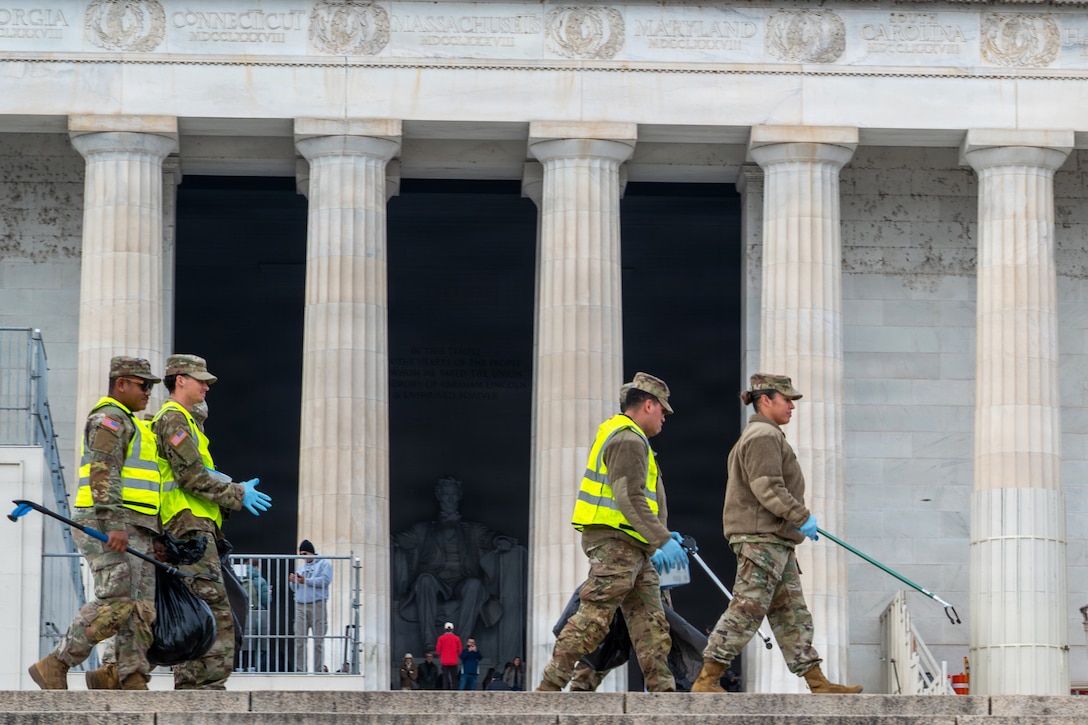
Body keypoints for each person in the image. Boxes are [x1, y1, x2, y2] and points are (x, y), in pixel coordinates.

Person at [692, 374, 861, 694]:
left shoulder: (768, 435)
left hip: (775, 539)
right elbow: (767, 487)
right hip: (761, 539)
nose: (792, 406)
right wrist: (801, 516)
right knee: (747, 608)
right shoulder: (762, 436)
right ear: (765, 400)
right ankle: (706, 679)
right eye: (787, 400)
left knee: (792, 614)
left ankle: (818, 683)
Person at [536, 372, 687, 692]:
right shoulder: (628, 439)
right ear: (648, 405)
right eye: (663, 410)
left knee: (652, 624)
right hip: (617, 543)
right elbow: (629, 497)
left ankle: (663, 694)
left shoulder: (628, 437)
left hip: (635, 545)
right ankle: (548, 689)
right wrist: (661, 539)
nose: (664, 417)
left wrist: (660, 537)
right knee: (593, 619)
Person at [29, 357, 162, 691]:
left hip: (137, 525)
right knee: (115, 603)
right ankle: (56, 663)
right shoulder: (109, 419)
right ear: (121, 384)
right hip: (108, 522)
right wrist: (114, 523)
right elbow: (103, 470)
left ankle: (128, 676)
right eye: (143, 385)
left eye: (151, 386)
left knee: (140, 608)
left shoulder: (133, 423)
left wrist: (153, 532)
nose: (149, 392)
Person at [152, 353, 272, 689]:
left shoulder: (185, 423)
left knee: (212, 610)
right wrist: (236, 493)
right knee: (214, 614)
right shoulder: (173, 420)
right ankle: (201, 691)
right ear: (180, 380)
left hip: (196, 528)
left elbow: (198, 474)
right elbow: (191, 478)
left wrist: (229, 486)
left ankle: (200, 688)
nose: (207, 386)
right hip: (187, 529)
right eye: (200, 379)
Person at [393, 477, 516, 650]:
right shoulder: (423, 529)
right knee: (424, 581)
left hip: (462, 580)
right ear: (439, 496)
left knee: (475, 585)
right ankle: (429, 643)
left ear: (458, 497)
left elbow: (491, 537)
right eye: (445, 495)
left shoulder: (472, 529)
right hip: (434, 579)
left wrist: (501, 541)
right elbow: (401, 539)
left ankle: (461, 643)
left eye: (453, 495)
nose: (449, 499)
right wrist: (387, 540)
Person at [289, 538, 333, 672]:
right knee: (299, 639)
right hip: (301, 605)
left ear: (311, 552)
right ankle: (300, 670)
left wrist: (306, 580)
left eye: (305, 554)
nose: (303, 557)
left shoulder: (324, 564)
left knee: (318, 640)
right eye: (301, 554)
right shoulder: (301, 567)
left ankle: (318, 669)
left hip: (317, 604)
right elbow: (295, 588)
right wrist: (292, 581)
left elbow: (325, 580)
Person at [238, 558, 271, 671]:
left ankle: (238, 668)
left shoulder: (236, 578)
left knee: (239, 642)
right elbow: (266, 601)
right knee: (254, 643)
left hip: (238, 615)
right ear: (257, 566)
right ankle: (252, 668)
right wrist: (269, 593)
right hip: (256, 615)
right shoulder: (260, 581)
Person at [434, 621, 462, 689]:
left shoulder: (441, 638)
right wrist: (456, 656)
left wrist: (441, 657)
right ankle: (454, 688)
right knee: (454, 676)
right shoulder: (456, 638)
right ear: (452, 629)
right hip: (454, 660)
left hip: (445, 660)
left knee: (445, 677)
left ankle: (445, 688)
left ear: (445, 629)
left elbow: (438, 650)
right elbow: (460, 649)